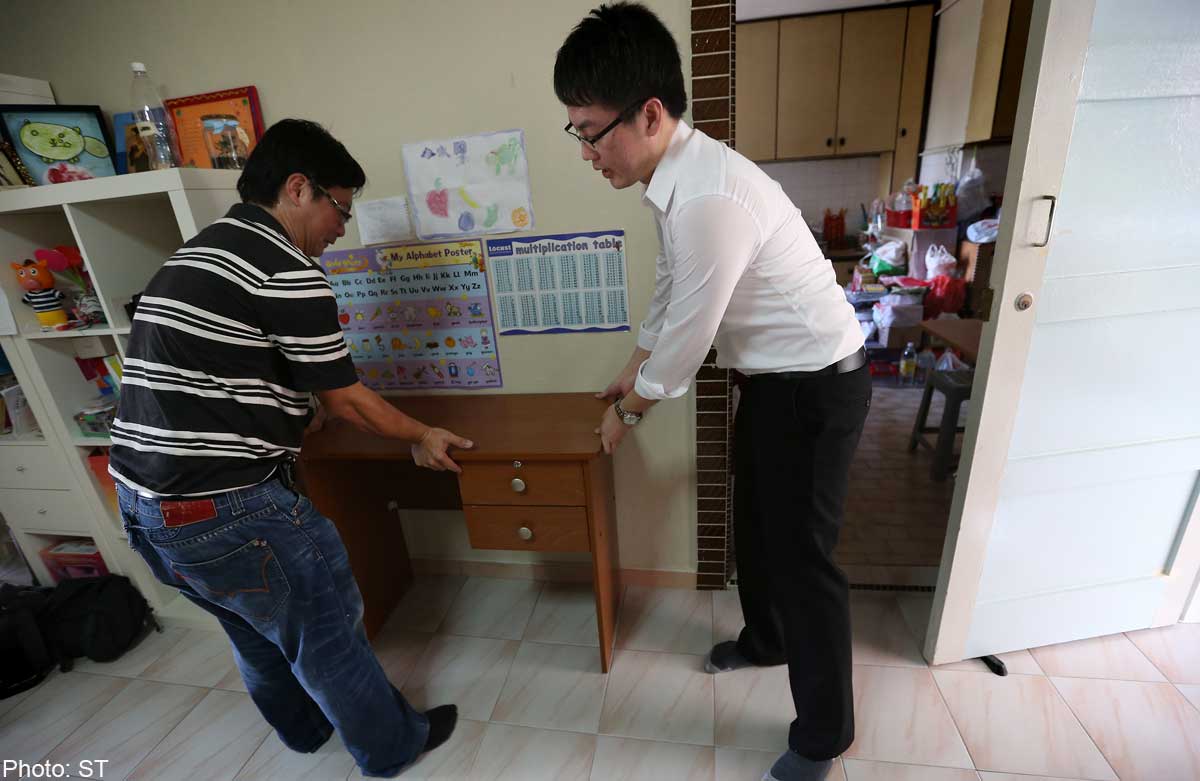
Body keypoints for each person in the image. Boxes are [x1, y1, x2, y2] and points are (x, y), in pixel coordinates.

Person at [555, 6, 871, 781]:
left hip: (815, 388)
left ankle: (823, 737)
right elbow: (672, 289)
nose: (586, 152)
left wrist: (628, 412)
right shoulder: (675, 180)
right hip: (768, 382)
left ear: (648, 114)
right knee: (756, 528)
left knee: (804, 562)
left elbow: (689, 342)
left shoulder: (708, 198)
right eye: (577, 132)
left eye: (591, 132)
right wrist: (632, 363)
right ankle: (766, 640)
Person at [109, 119, 471, 778]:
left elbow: (225, 375)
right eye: (341, 210)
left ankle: (304, 731)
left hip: (141, 504)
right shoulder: (284, 267)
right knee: (326, 626)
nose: (341, 230)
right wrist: (422, 434)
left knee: (254, 627)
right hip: (225, 507)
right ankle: (392, 746)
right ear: (298, 188)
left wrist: (292, 413)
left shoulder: (196, 254)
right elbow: (347, 401)